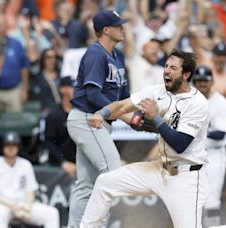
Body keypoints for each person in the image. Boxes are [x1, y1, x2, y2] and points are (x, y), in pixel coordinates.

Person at [82, 50, 210, 228]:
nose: (167, 71)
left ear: (186, 74)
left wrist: (156, 117)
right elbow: (123, 105)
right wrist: (101, 113)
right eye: (166, 66)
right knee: (105, 183)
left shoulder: (197, 103)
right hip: (158, 170)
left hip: (185, 177)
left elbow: (180, 144)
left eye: (173, 68)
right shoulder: (156, 91)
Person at [67, 10, 130, 228]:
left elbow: (125, 97)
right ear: (106, 30)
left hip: (100, 122)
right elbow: (93, 94)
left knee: (86, 185)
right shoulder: (95, 54)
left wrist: (135, 114)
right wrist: (124, 114)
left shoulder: (118, 56)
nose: (122, 28)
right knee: (112, 173)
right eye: (118, 25)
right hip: (86, 119)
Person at [0, 131, 60, 228]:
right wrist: (10, 206)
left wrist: (27, 206)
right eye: (7, 145)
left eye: (14, 145)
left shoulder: (25, 164)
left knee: (52, 213)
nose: (11, 148)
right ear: (2, 147)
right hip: (2, 205)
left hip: (22, 205)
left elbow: (31, 190)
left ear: (18, 147)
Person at [192, 66, 226, 227]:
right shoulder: (190, 100)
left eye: (205, 81)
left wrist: (199, 130)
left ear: (212, 82)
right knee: (192, 199)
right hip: (194, 154)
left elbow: (221, 134)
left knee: (212, 199)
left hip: (214, 155)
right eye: (199, 81)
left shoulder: (221, 103)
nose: (202, 84)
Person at [45, 77, 76, 177]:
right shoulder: (54, 114)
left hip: (80, 164)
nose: (75, 90)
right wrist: (63, 162)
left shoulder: (83, 113)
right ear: (63, 89)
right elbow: (48, 141)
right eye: (72, 87)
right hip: (59, 166)